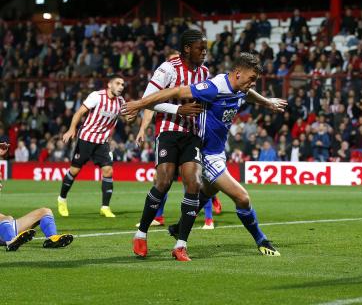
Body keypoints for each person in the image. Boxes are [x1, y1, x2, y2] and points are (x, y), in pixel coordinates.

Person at [124, 53, 287, 261]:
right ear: (237, 74)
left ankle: (179, 227)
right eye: (251, 78)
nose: (252, 83)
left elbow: (249, 94)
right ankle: (261, 240)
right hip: (206, 153)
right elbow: (175, 91)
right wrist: (139, 104)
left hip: (219, 151)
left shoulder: (240, 87)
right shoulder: (214, 87)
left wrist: (267, 103)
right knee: (242, 198)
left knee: (207, 192)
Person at [133, 34, 213, 228]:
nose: (204, 52)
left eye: (205, 48)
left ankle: (181, 242)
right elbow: (148, 100)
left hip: (193, 133)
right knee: (163, 182)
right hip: (168, 131)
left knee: (194, 183)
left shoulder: (204, 72)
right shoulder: (168, 68)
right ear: (187, 48)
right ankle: (142, 232)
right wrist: (178, 109)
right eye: (200, 48)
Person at [58, 74, 129, 218]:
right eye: (118, 83)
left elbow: (128, 119)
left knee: (108, 171)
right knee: (74, 171)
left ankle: (105, 207)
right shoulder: (97, 96)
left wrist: (135, 114)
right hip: (86, 138)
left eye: (123, 84)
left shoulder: (121, 101)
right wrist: (72, 129)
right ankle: (62, 199)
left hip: (102, 141)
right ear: (109, 85)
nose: (121, 86)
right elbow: (79, 112)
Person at [0, 142, 73, 251]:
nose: (1, 185)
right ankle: (11, 241)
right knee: (5, 218)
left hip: (6, 227)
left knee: (45, 211)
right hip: (4, 227)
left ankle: (52, 239)